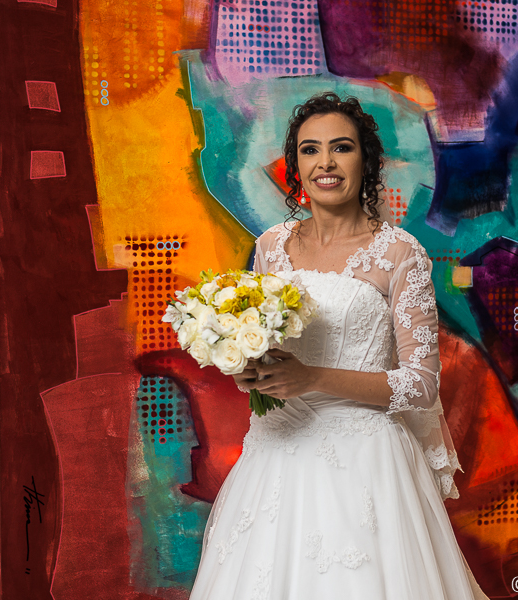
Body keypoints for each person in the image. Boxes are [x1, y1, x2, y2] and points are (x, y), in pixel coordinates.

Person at [188, 92, 488, 600]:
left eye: (341, 148)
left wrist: (313, 379)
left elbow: (420, 386)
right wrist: (248, 371)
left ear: (366, 161)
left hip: (366, 466)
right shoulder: (270, 248)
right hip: (275, 457)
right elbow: (262, 351)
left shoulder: (399, 254)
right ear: (296, 165)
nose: (324, 162)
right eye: (309, 150)